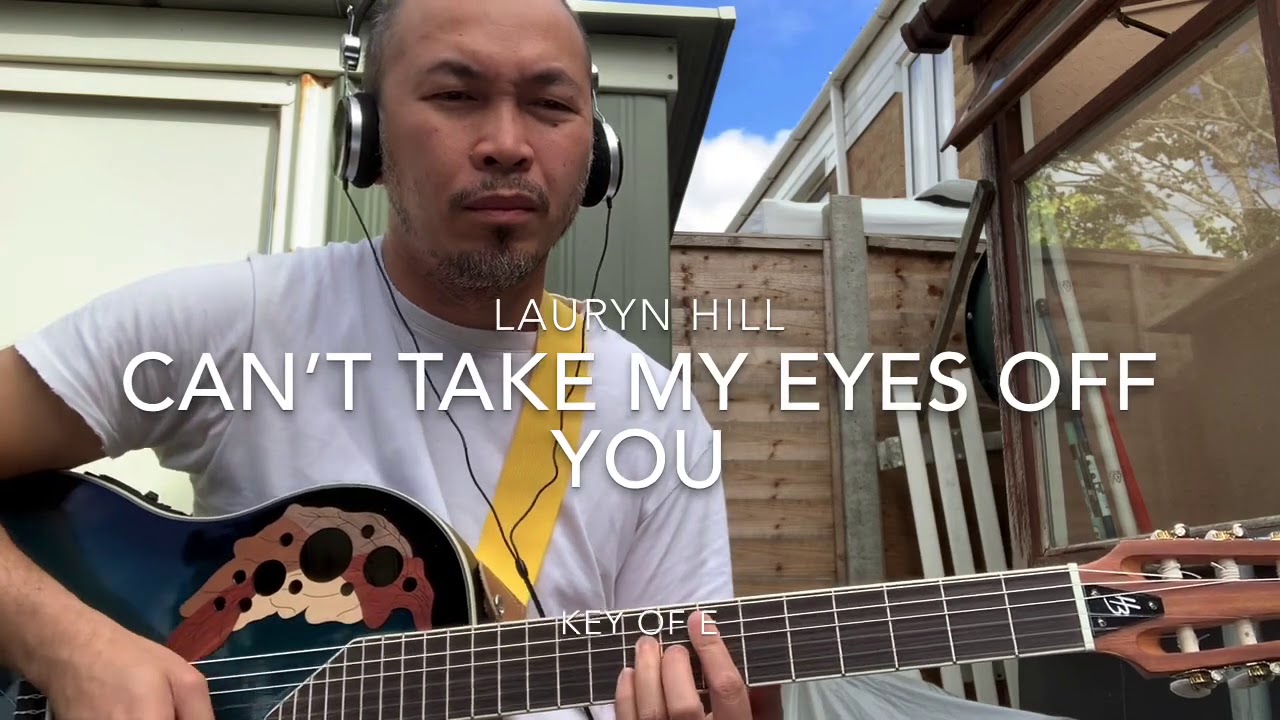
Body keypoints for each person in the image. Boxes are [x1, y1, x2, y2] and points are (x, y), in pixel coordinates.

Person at [0, 0, 784, 718]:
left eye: (550, 105)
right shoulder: (238, 323)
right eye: (456, 95)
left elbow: (706, 676)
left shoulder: (656, 415)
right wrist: (66, 644)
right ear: (366, 136)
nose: (508, 145)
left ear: (597, 154)